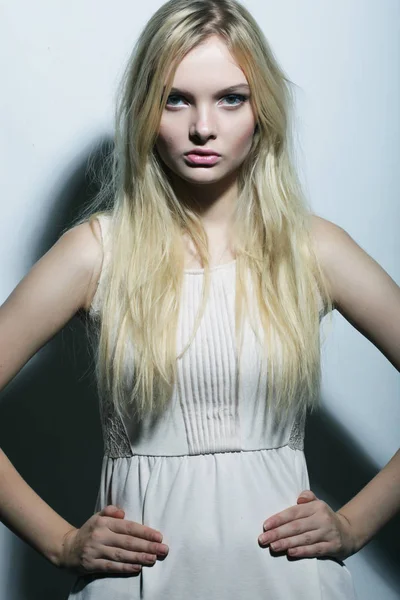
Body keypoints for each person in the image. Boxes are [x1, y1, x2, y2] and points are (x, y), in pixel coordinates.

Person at [0, 0, 399, 598]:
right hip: (139, 584)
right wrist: (60, 541)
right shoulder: (96, 253)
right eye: (175, 98)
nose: (203, 127)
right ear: (144, 110)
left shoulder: (315, 250)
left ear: (262, 108)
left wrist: (353, 524)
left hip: (288, 584)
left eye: (230, 98)